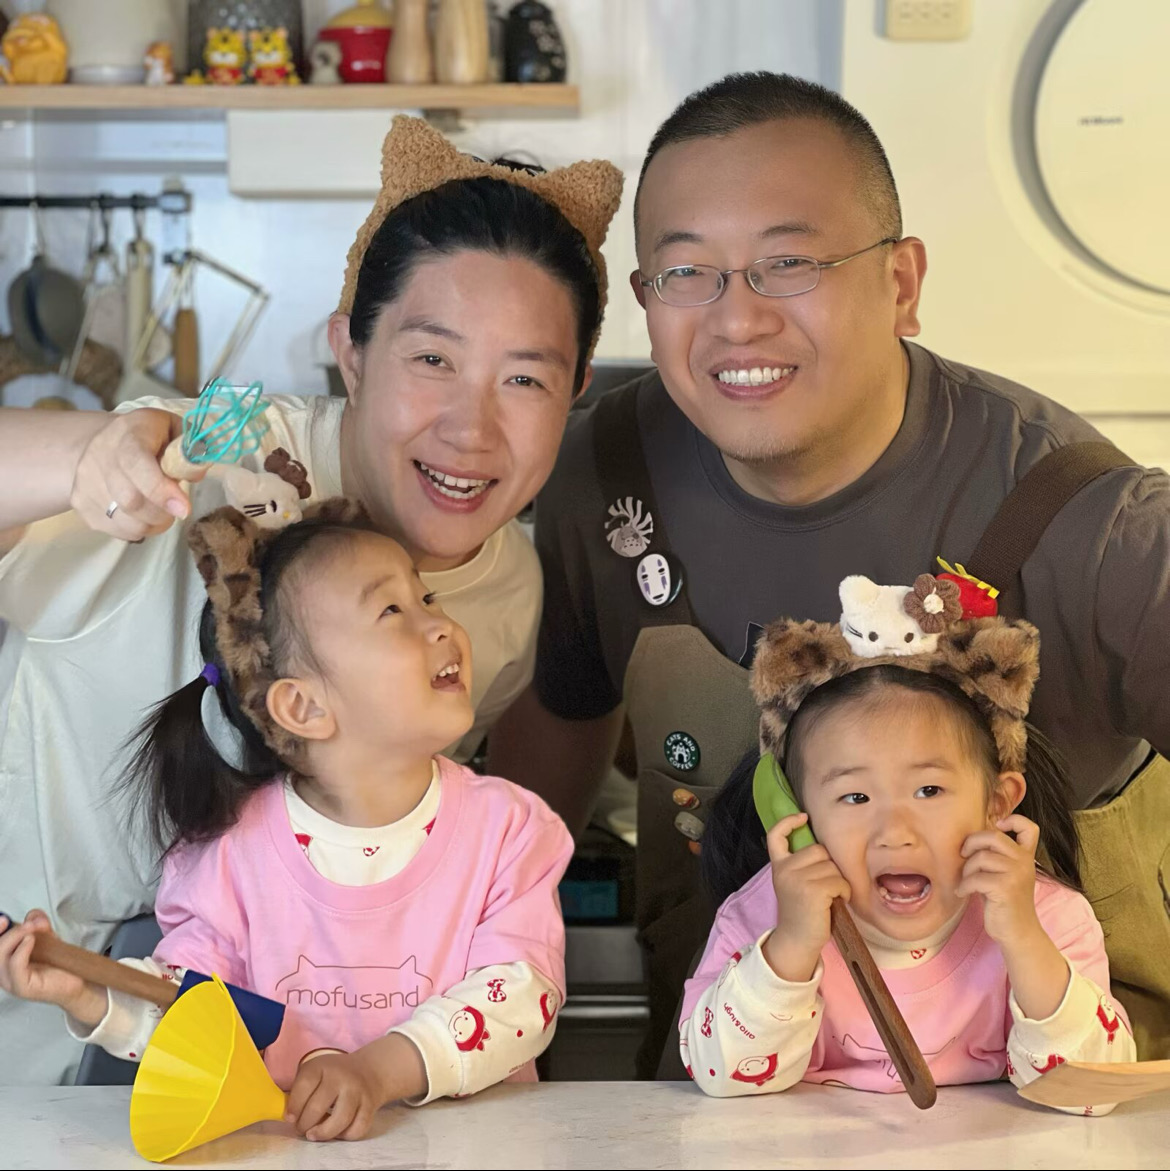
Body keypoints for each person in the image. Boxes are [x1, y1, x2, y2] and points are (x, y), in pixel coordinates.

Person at [488, 71, 1170, 1073]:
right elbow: (524, 804)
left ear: (902, 284)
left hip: (1062, 1111)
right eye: (687, 272)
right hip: (731, 1099)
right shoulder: (602, 474)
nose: (737, 320)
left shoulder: (1086, 517)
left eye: (789, 262)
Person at [0, 114, 621, 1083]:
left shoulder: (508, 590)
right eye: (433, 359)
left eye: (525, 378)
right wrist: (92, 454)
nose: (471, 429)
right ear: (352, 350)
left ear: (577, 387)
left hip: (317, 1072)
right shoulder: (207, 462)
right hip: (59, 1020)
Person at [0, 500, 573, 1140]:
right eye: (392, 611)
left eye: (428, 599)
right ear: (302, 706)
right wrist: (85, 992)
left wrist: (378, 1072)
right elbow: (195, 1012)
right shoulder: (229, 853)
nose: (440, 625)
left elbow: (522, 996)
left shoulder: (510, 831)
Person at [683, 592, 1136, 1113]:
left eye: (928, 791)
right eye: (855, 797)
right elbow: (723, 1077)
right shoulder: (762, 914)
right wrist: (791, 946)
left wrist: (1025, 939)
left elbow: (1093, 1092)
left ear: (996, 804)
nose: (895, 832)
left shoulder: (1048, 916)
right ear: (794, 814)